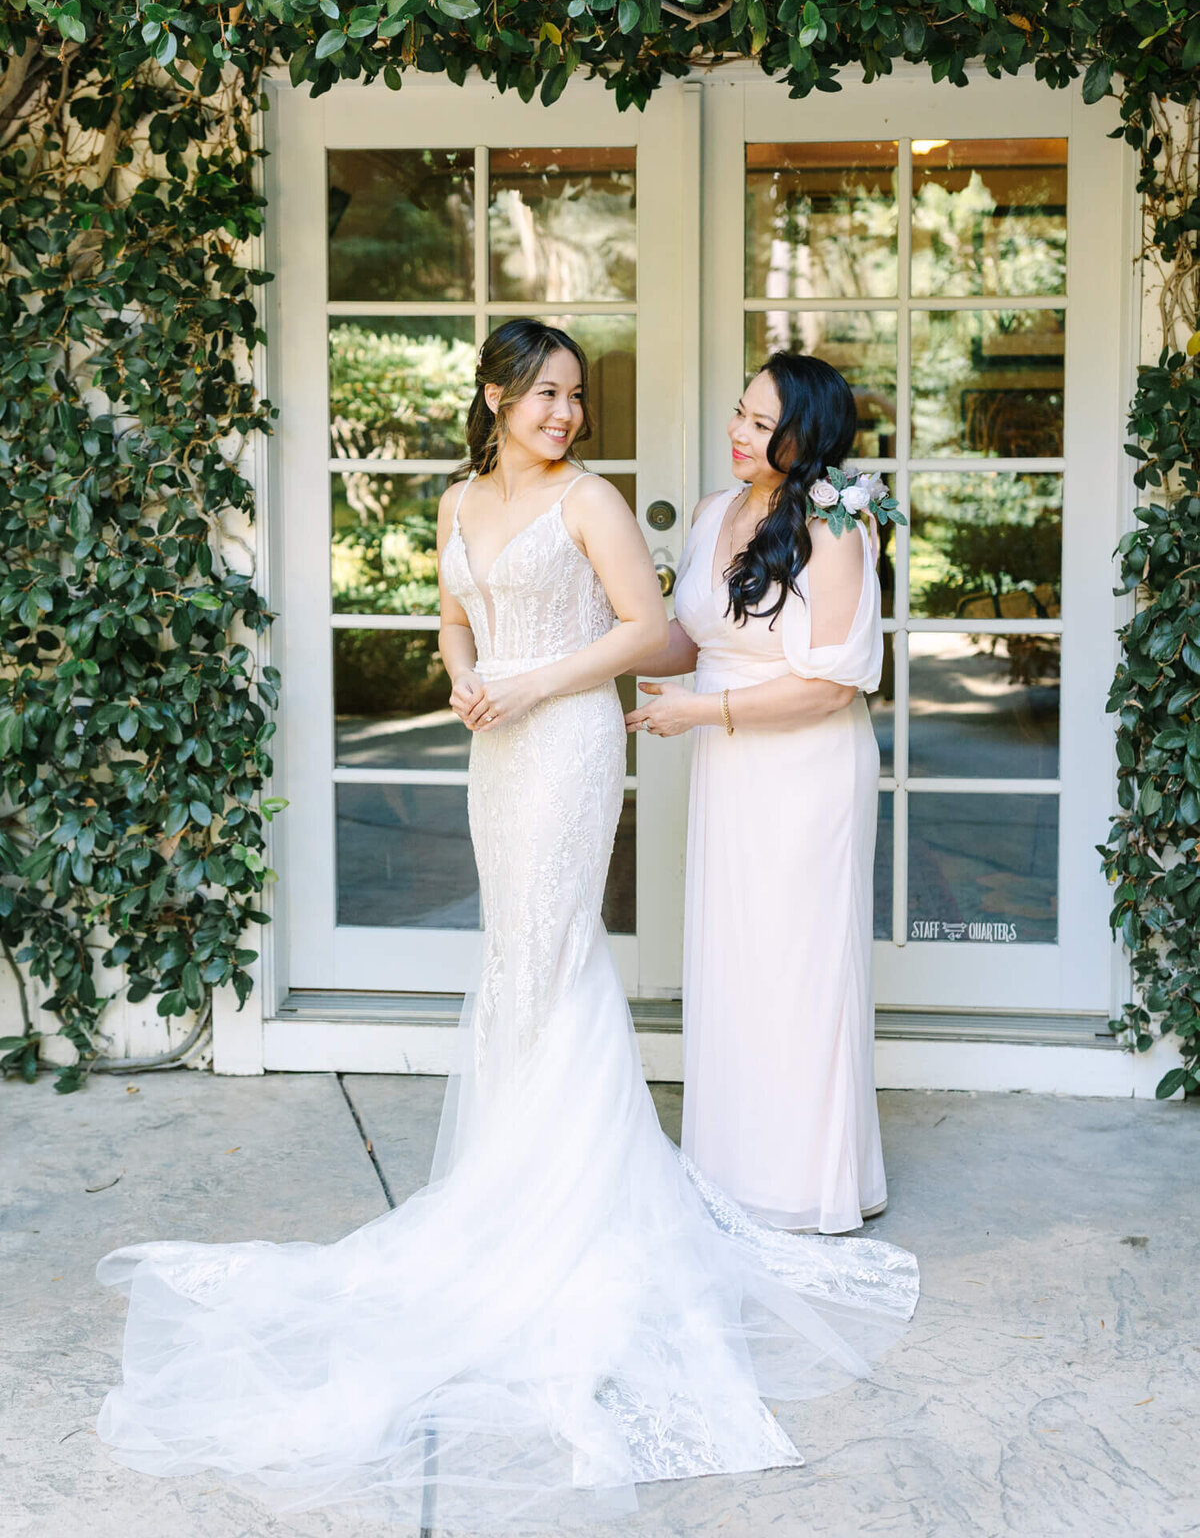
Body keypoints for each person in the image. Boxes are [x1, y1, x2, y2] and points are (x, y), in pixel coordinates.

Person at [95, 324, 917, 1531]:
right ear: (494, 397)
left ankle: (595, 1192)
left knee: (565, 950)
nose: (565, 412)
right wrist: (467, 670)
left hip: (586, 742)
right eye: (545, 392)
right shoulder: (471, 501)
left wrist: (554, 683)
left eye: (576, 395)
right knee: (531, 957)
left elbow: (672, 639)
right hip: (507, 749)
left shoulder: (599, 501)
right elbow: (460, 611)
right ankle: (521, 1172)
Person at [629, 353, 888, 1235]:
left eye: (759, 422)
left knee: (798, 965)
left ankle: (806, 1184)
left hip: (807, 769)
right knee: (735, 961)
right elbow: (688, 637)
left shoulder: (838, 525)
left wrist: (704, 711)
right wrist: (601, 645)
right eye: (739, 414)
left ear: (805, 435)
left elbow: (832, 684)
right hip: (732, 767)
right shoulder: (712, 513)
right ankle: (732, 1173)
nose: (739, 433)